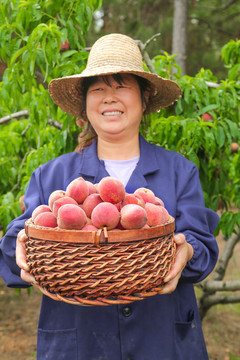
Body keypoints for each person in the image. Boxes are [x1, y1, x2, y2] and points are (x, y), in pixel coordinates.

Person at [0, 33, 219, 360]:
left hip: (160, 342)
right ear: (85, 104)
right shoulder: (53, 176)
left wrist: (185, 251)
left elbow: (202, 246)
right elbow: (16, 242)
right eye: (98, 89)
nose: (109, 97)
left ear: (144, 100)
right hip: (80, 345)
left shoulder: (179, 170)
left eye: (121, 86)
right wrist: (20, 245)